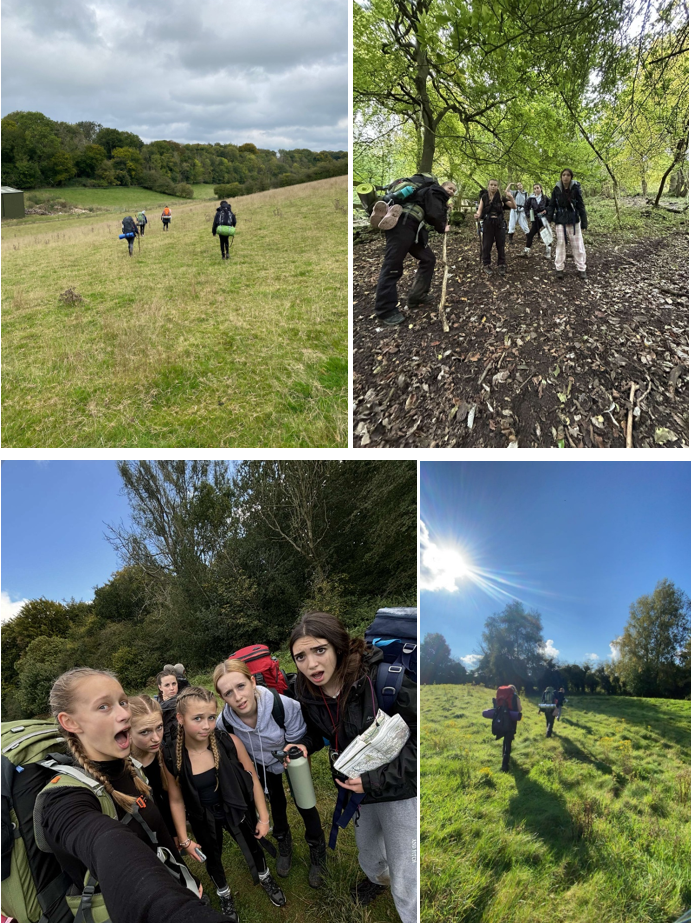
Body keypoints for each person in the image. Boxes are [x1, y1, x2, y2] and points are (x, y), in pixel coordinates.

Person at [38, 667, 229, 923]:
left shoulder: (131, 769)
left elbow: (157, 830)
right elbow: (109, 845)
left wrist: (186, 877)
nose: (124, 713)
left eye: (123, 701)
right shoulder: (63, 800)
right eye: (104, 707)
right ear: (70, 722)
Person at [290, 611, 417, 923]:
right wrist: (306, 744)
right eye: (301, 656)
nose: (311, 664)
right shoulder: (307, 692)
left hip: (397, 789)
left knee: (407, 871)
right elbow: (321, 731)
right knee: (369, 852)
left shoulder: (385, 681)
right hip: (353, 790)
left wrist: (373, 781)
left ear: (339, 647)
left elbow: (423, 746)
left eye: (319, 650)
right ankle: (376, 880)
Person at [165, 685, 286, 920]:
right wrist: (184, 838)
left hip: (236, 807)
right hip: (203, 816)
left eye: (211, 717)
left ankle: (264, 875)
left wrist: (263, 816)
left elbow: (252, 778)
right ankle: (224, 892)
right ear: (180, 719)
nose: (206, 725)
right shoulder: (171, 755)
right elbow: (176, 799)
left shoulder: (228, 742)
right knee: (212, 856)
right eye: (197, 718)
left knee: (254, 843)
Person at [213, 659, 326, 886]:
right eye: (228, 693)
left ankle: (317, 848)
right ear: (222, 698)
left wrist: (293, 751)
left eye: (241, 686)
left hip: (290, 757)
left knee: (304, 801)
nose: (238, 697)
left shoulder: (282, 706)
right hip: (261, 764)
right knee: (276, 801)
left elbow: (301, 736)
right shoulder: (224, 722)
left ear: (252, 682)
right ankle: (283, 840)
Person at [373, 178, 456, 326]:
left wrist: (444, 207)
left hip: (414, 228)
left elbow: (431, 208)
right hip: (403, 224)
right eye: (450, 188)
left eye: (454, 191)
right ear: (441, 186)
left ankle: (417, 296)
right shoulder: (435, 191)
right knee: (392, 265)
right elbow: (434, 213)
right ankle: (385, 310)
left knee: (428, 259)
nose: (451, 192)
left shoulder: (431, 193)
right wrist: (442, 227)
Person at [128, 694, 180, 840]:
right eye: (145, 732)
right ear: (128, 731)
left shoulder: (165, 755)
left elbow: (167, 799)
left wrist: (175, 833)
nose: (156, 738)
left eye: (159, 727)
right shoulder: (123, 767)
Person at [547, 168, 588, 279]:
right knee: (560, 244)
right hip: (560, 220)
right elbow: (551, 205)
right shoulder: (556, 189)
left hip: (573, 220)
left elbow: (580, 205)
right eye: (564, 175)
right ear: (561, 177)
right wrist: (548, 219)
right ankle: (559, 268)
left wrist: (584, 221)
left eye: (568, 175)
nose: (565, 177)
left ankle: (581, 268)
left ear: (571, 177)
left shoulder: (576, 189)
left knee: (578, 244)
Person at [475, 180, 516, 275]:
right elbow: (479, 211)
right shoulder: (484, 197)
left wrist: (511, 198)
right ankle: (486, 264)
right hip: (487, 224)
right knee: (486, 245)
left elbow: (514, 206)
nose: (493, 187)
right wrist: (477, 215)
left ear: (498, 187)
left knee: (500, 245)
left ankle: (501, 265)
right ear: (488, 186)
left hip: (499, 224)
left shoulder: (501, 198)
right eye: (491, 185)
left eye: (495, 185)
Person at [522, 184, 552, 259]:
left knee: (547, 234)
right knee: (530, 234)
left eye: (537, 188)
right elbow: (526, 207)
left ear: (541, 188)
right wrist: (529, 214)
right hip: (535, 219)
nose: (536, 189)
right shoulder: (530, 198)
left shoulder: (545, 198)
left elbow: (551, 205)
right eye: (535, 188)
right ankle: (526, 251)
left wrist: (546, 210)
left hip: (544, 219)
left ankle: (548, 253)